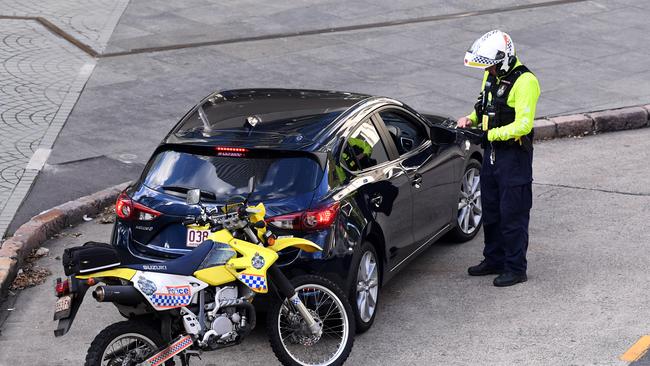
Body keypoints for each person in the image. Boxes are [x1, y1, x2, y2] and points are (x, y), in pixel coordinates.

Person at [457, 30, 540, 287]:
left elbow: (524, 124)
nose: (488, 70)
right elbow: (484, 105)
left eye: (490, 65)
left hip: (513, 157)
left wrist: (491, 133)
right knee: (491, 210)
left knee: (512, 213)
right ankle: (494, 259)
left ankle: (516, 268)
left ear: (502, 60)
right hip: (492, 153)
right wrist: (470, 117)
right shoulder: (491, 76)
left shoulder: (525, 81)